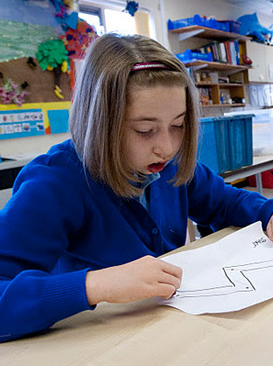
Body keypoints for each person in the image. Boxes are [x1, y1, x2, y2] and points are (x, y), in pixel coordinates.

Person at [0, 33, 273, 343]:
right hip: (95, 343)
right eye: (145, 131)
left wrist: (267, 212)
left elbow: (225, 202)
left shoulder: (169, 165)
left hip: (166, 329)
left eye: (178, 125)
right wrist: (97, 285)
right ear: (100, 121)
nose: (167, 148)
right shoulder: (55, 182)